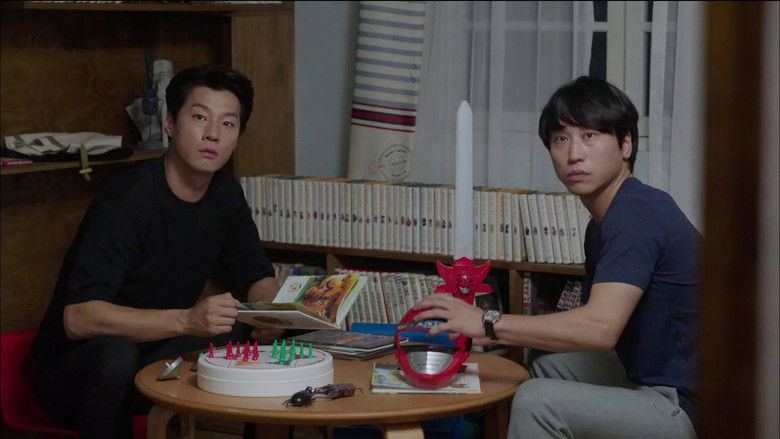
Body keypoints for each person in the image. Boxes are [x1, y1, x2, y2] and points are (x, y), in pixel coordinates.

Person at [412, 76, 699, 438]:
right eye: (561, 139)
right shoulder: (606, 221)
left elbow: (600, 329)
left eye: (589, 135)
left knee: (537, 400)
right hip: (657, 377)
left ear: (626, 144)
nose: (573, 154)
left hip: (689, 406)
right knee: (551, 364)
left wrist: (488, 322)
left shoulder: (637, 214)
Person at [31, 64, 281, 439]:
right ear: (170, 124)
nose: (213, 134)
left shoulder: (225, 194)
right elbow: (78, 318)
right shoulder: (127, 200)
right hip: (76, 374)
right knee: (116, 354)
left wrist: (271, 314)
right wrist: (186, 320)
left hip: (153, 356)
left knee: (242, 330)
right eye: (199, 117)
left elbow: (257, 275)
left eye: (228, 124)